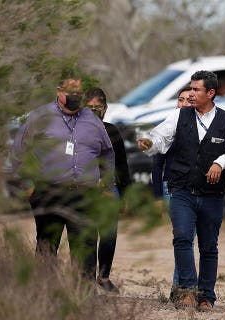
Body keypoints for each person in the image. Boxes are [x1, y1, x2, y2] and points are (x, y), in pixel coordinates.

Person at [137, 70, 225, 311]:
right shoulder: (179, 116)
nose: (192, 94)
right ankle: (186, 290)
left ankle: (206, 296)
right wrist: (149, 143)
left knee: (209, 247)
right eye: (191, 88)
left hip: (212, 195)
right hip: (182, 191)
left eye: (197, 90)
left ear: (211, 93)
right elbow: (159, 138)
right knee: (182, 239)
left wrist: (220, 162)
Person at [9, 74, 115, 280]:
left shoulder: (93, 121)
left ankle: (84, 298)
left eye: (79, 93)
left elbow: (108, 153)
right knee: (47, 245)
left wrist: (106, 183)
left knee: (85, 246)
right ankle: (45, 295)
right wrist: (26, 184)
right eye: (70, 93)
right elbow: (19, 151)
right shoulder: (40, 117)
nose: (76, 97)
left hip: (85, 195)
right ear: (59, 91)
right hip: (49, 192)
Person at [149, 85, 194, 302]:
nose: (184, 103)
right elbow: (157, 165)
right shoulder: (168, 127)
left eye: (188, 100)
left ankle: (181, 288)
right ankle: (181, 289)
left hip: (196, 188)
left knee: (186, 239)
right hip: (171, 187)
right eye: (180, 99)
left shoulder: (200, 127)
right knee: (184, 237)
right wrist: (157, 197)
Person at [85, 88, 131, 293]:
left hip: (109, 190)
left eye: (98, 107)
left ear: (105, 109)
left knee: (109, 235)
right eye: (90, 107)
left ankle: (103, 276)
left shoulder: (112, 131)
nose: (95, 111)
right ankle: (85, 278)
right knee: (87, 235)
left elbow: (122, 164)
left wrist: (126, 194)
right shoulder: (77, 131)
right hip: (84, 190)